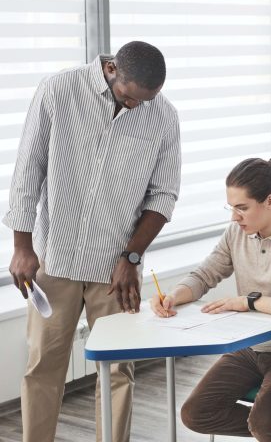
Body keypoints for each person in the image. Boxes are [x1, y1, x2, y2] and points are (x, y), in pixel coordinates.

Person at [3, 41, 180, 442]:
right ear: (112, 69)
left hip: (115, 269)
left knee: (119, 371)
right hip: (56, 260)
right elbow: (28, 171)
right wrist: (21, 246)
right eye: (129, 98)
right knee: (43, 367)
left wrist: (132, 256)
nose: (137, 107)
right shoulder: (58, 91)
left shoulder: (163, 116)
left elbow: (163, 194)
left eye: (146, 101)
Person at [150, 157, 271, 442]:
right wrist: (174, 296)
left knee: (265, 423)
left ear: (270, 201)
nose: (234, 217)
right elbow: (204, 275)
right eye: (231, 208)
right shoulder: (236, 233)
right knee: (196, 413)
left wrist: (249, 302)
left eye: (242, 208)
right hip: (252, 349)